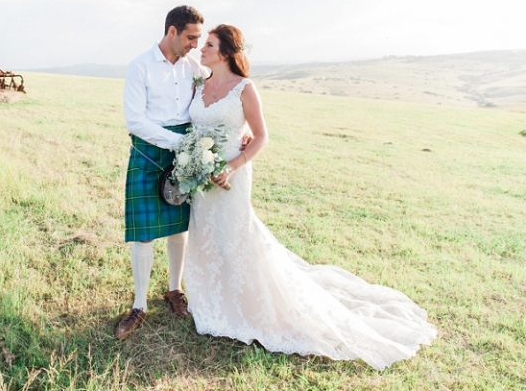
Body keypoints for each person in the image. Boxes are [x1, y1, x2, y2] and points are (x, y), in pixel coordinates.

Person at [184, 24, 437, 369]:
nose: (202, 49)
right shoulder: (199, 81)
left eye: (209, 44)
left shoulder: (245, 88)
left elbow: (261, 136)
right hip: (201, 175)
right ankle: (210, 298)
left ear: (226, 52)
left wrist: (233, 164)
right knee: (206, 234)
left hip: (231, 175)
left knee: (235, 235)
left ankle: (246, 305)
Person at [116, 5, 210, 340]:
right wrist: (178, 143)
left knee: (178, 227)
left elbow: (219, 92)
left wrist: (238, 126)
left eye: (199, 39)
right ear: (172, 31)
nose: (195, 44)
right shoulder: (139, 66)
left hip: (185, 150)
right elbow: (135, 121)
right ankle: (139, 305)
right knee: (143, 232)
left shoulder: (195, 66)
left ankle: (174, 291)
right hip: (149, 149)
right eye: (190, 37)